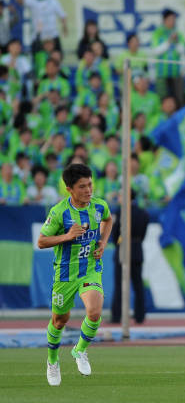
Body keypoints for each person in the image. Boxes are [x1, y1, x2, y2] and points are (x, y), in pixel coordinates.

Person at [37, 163, 112, 386]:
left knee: (95, 311)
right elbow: (41, 241)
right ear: (69, 189)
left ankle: (79, 350)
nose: (88, 190)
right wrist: (67, 236)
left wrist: (104, 242)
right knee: (60, 321)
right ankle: (52, 361)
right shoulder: (59, 212)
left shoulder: (99, 206)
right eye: (82, 186)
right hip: (65, 274)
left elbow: (108, 220)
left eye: (90, 184)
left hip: (90, 269)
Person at [110, 189, 149, 324]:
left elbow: (114, 235)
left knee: (120, 285)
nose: (118, 198)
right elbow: (143, 234)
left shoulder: (120, 212)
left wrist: (120, 244)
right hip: (137, 250)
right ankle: (140, 316)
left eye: (120, 195)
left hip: (123, 250)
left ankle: (116, 316)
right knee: (138, 285)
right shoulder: (143, 213)